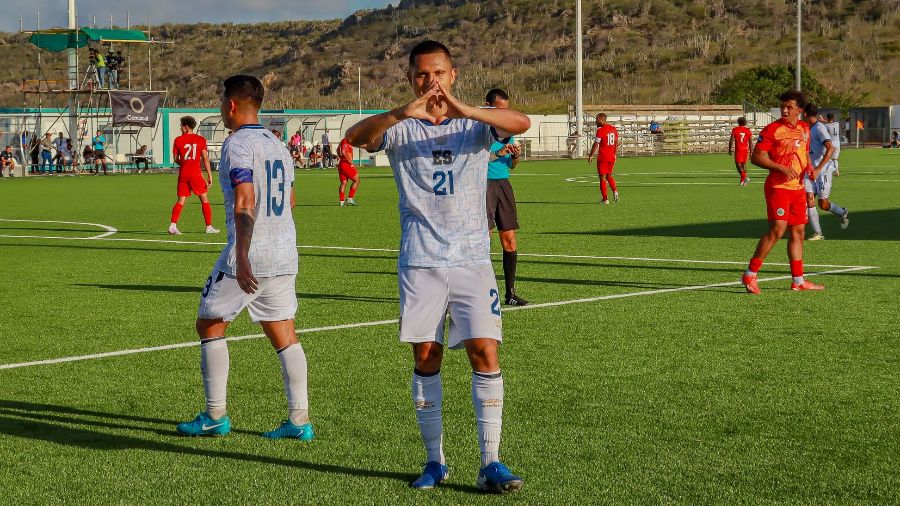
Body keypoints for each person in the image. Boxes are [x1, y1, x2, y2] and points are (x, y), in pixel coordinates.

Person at [346, 39, 529, 493]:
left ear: (454, 75)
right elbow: (355, 138)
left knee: (484, 352)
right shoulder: (401, 126)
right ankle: (435, 461)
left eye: (439, 73)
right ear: (411, 78)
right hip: (421, 259)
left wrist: (467, 109)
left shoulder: (475, 126)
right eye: (423, 74)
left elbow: (520, 123)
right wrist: (399, 113)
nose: (432, 82)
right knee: (426, 357)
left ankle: (491, 462)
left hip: (471, 259)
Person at [176, 74, 313, 443]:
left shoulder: (238, 144)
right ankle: (299, 420)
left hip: (251, 253)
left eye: (222, 100)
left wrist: (242, 252)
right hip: (285, 251)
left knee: (209, 324)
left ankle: (214, 415)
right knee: (284, 331)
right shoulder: (278, 143)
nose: (221, 107)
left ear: (231, 105)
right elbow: (292, 201)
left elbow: (245, 200)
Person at [741, 90, 823, 294]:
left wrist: (810, 167)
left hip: (798, 188)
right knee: (778, 230)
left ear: (800, 110)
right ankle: (750, 274)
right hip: (778, 188)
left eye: (789, 107)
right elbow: (757, 157)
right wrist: (781, 167)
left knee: (798, 232)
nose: (784, 111)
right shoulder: (773, 130)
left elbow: (804, 154)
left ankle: (798, 280)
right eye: (783, 107)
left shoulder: (805, 128)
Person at [484, 88, 528, 307]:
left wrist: (514, 156)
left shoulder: (509, 132)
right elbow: (472, 160)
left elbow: (511, 165)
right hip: (483, 187)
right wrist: (497, 153)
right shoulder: (480, 130)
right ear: (489, 107)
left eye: (506, 109)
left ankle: (510, 292)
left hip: (503, 186)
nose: (503, 113)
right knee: (484, 240)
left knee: (509, 239)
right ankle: (481, 293)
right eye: (499, 109)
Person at [803, 104, 849, 241]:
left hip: (823, 171)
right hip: (810, 170)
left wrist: (818, 169)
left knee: (823, 204)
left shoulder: (819, 128)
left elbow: (830, 148)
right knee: (809, 198)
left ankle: (842, 212)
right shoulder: (807, 128)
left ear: (804, 114)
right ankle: (818, 233)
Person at [169, 116, 219, 235]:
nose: (180, 128)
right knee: (204, 199)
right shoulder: (200, 140)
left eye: (181, 126)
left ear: (186, 127)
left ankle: (173, 225)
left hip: (183, 174)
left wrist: (185, 163)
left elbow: (176, 159)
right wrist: (209, 175)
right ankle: (209, 227)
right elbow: (205, 158)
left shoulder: (178, 140)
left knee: (181, 200)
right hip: (196, 174)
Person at [587, 113, 620, 204]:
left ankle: (605, 199)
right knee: (609, 175)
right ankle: (615, 191)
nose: (595, 122)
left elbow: (596, 144)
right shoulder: (613, 129)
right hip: (611, 157)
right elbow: (617, 143)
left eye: (597, 120)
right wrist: (615, 154)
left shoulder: (600, 130)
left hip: (603, 157)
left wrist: (591, 155)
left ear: (602, 120)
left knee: (602, 178)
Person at [729, 117, 754, 186]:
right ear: (745, 122)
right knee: (743, 165)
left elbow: (731, 140)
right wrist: (751, 152)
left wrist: (730, 149)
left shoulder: (735, 130)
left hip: (739, 149)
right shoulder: (748, 130)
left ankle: (746, 177)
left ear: (738, 122)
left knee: (738, 165)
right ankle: (742, 182)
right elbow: (751, 142)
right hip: (745, 149)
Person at [336, 137, 359, 206]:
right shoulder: (346, 141)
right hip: (346, 164)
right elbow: (343, 151)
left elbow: (337, 150)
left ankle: (342, 201)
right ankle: (350, 198)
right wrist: (349, 161)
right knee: (356, 180)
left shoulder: (343, 141)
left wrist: (340, 157)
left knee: (344, 182)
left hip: (341, 163)